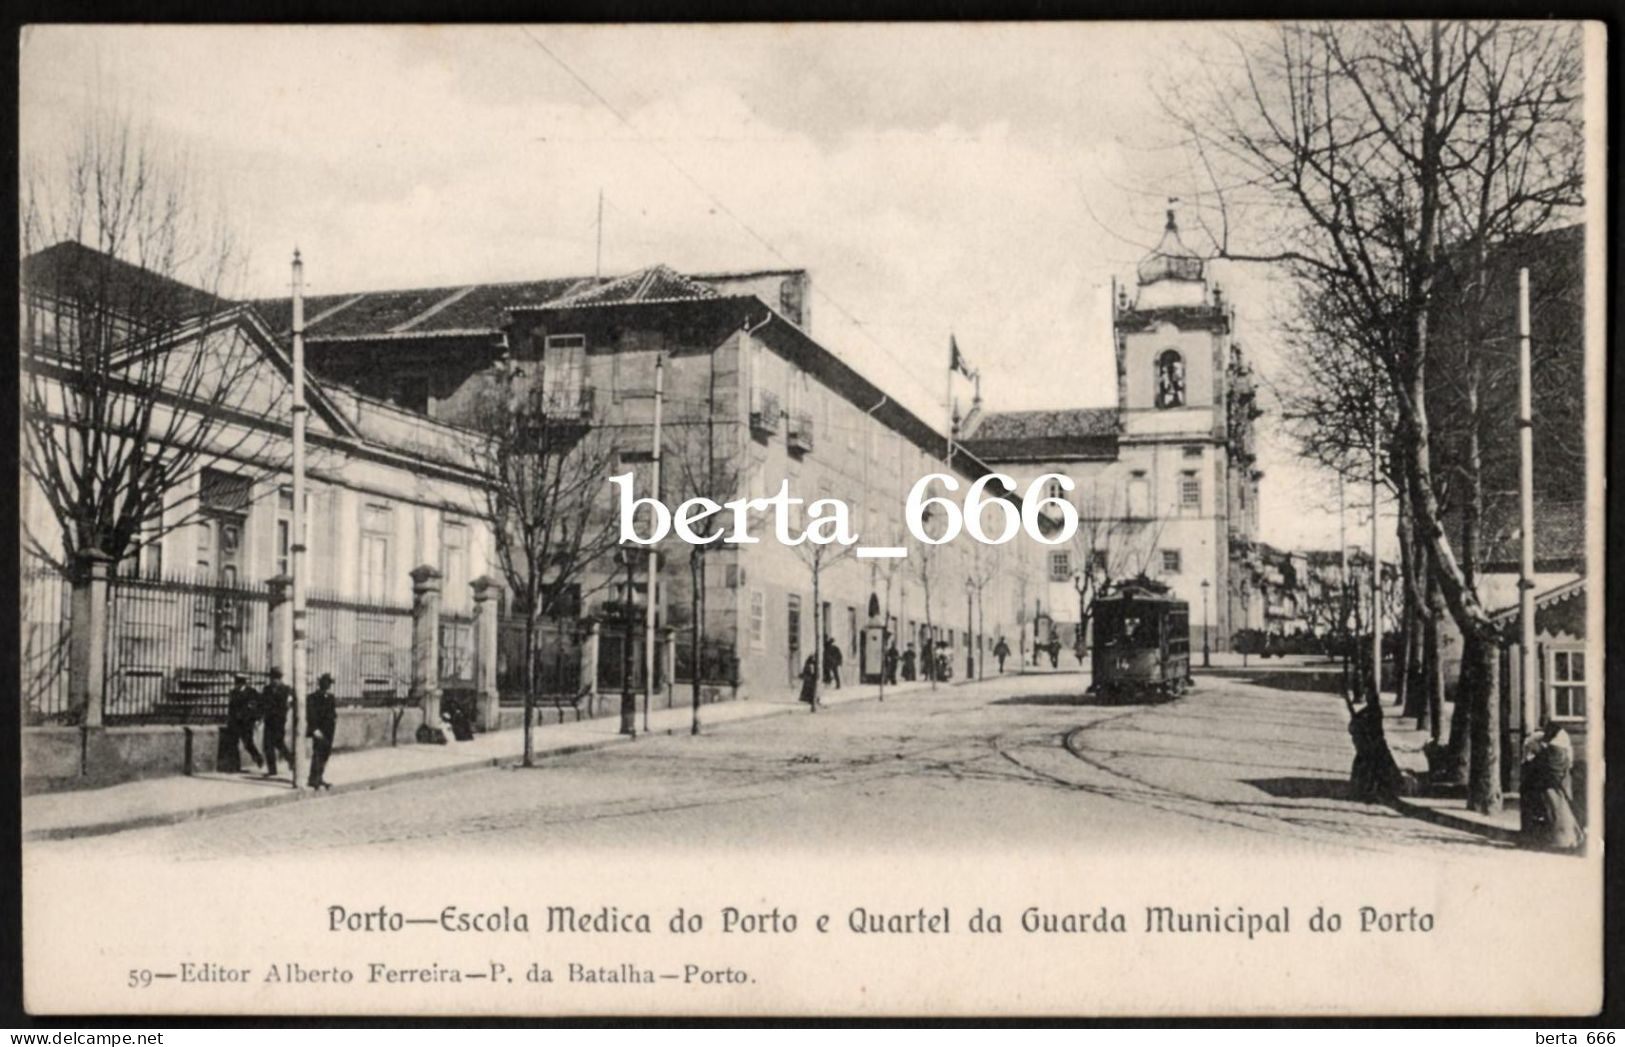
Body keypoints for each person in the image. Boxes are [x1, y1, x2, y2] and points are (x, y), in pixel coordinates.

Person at [1520, 721, 1583, 851]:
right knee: (1562, 810)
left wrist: (1530, 761)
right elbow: (1565, 765)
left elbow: (1537, 765)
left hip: (1548, 785)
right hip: (1559, 784)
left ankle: (1557, 839)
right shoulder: (1563, 747)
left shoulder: (1550, 750)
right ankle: (1571, 837)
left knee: (1554, 812)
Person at [221, 673, 263, 773]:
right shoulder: (233, 692)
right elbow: (231, 708)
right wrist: (229, 719)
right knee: (233, 743)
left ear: (243, 682)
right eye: (237, 681)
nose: (237, 684)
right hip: (235, 722)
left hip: (247, 722)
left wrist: (256, 719)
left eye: (239, 681)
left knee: (248, 743)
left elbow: (258, 706)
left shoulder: (252, 692)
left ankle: (257, 756)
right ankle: (235, 767)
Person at [260, 667, 294, 778]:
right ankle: (272, 770)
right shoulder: (267, 689)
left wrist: (288, 707)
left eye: (277, 678)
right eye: (273, 678)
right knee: (267, 745)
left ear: (280, 678)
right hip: (269, 720)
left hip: (279, 720)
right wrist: (261, 717)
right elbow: (263, 704)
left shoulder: (286, 689)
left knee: (278, 742)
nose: (275, 681)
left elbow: (293, 701)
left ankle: (291, 760)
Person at [307, 671, 338, 790]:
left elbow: (333, 713)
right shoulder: (312, 697)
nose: (328, 686)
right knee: (318, 753)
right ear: (320, 684)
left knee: (326, 753)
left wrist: (334, 720)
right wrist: (314, 729)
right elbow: (310, 715)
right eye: (325, 683)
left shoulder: (331, 697)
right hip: (319, 730)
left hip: (329, 730)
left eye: (329, 683)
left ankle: (319, 777)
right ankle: (313, 779)